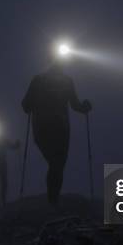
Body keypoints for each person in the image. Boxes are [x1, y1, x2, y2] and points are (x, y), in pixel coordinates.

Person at [21, 61, 92, 205]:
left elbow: (25, 105)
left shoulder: (38, 80)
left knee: (55, 163)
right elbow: (75, 105)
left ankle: (53, 201)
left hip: (41, 128)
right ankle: (53, 201)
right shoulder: (66, 81)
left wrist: (31, 105)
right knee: (58, 164)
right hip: (61, 129)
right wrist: (85, 107)